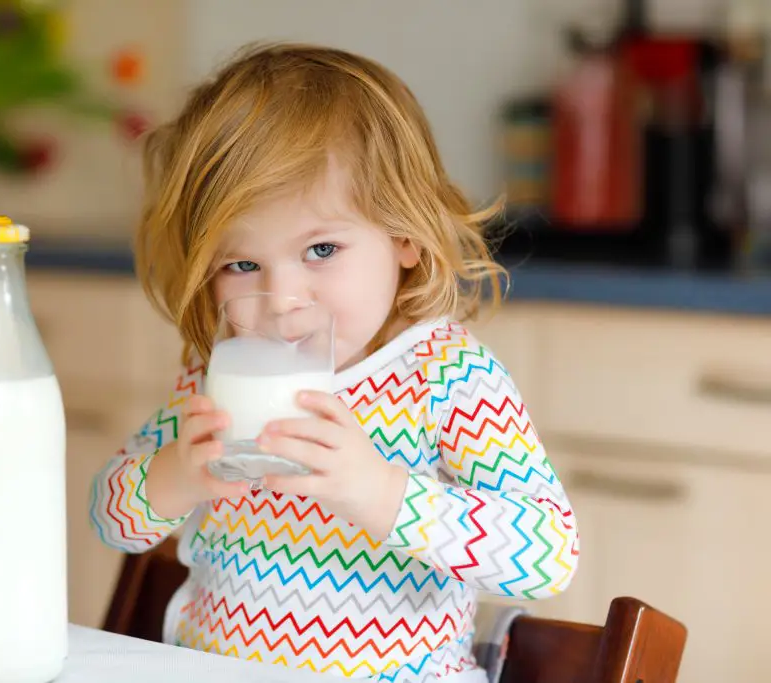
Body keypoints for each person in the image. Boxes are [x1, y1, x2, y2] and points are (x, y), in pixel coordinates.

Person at [90, 43, 579, 683]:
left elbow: (548, 555)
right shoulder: (222, 372)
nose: (285, 300)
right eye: (242, 265)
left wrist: (381, 493)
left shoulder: (445, 376)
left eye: (321, 248)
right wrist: (174, 477)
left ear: (404, 235)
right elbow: (112, 517)